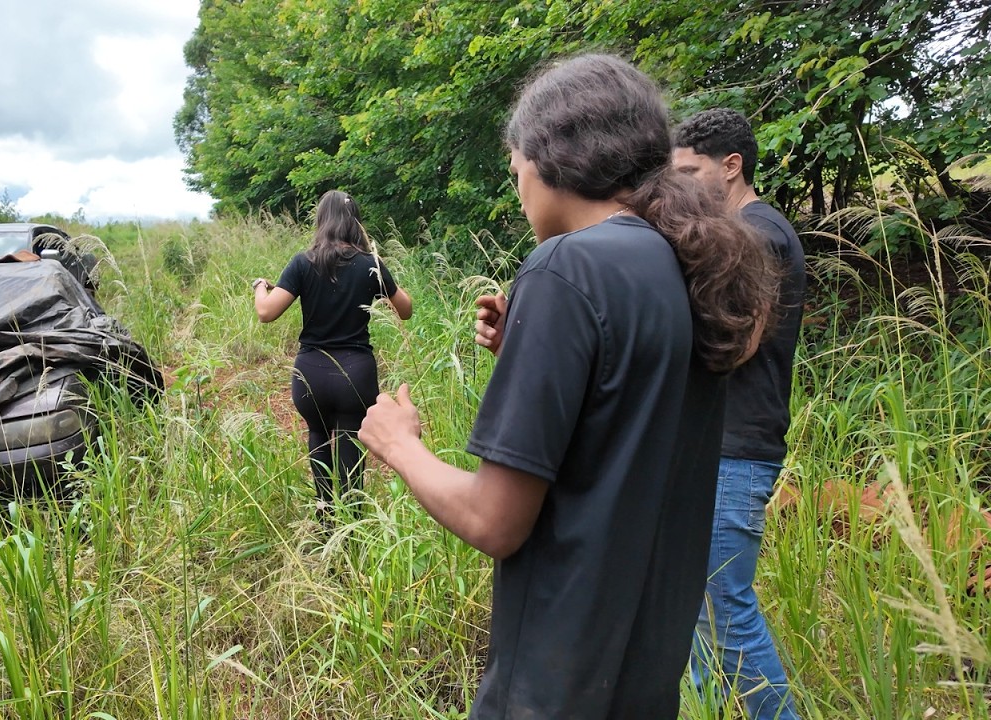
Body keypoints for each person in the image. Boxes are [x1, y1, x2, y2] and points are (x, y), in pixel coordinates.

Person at [358, 55, 779, 718]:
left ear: (550, 157)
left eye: (515, 165)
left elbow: (496, 521)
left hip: (555, 681)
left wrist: (397, 444)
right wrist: (526, 347)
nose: (518, 184)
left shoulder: (566, 267)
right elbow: (622, 417)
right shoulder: (683, 263)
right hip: (642, 675)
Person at [672, 107, 806, 719]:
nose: (678, 184)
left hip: (738, 449)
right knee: (698, 606)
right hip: (718, 445)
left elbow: (737, 345)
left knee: (724, 608)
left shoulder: (759, 233)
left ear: (731, 168)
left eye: (689, 171)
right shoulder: (743, 231)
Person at [253, 190, 413, 527]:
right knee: (350, 448)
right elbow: (406, 310)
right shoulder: (371, 264)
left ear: (321, 221)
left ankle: (326, 523)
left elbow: (266, 313)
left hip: (310, 373)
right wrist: (380, 280)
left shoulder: (303, 262)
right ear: (355, 222)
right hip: (355, 374)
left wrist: (259, 287)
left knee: (318, 437)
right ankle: (352, 530)